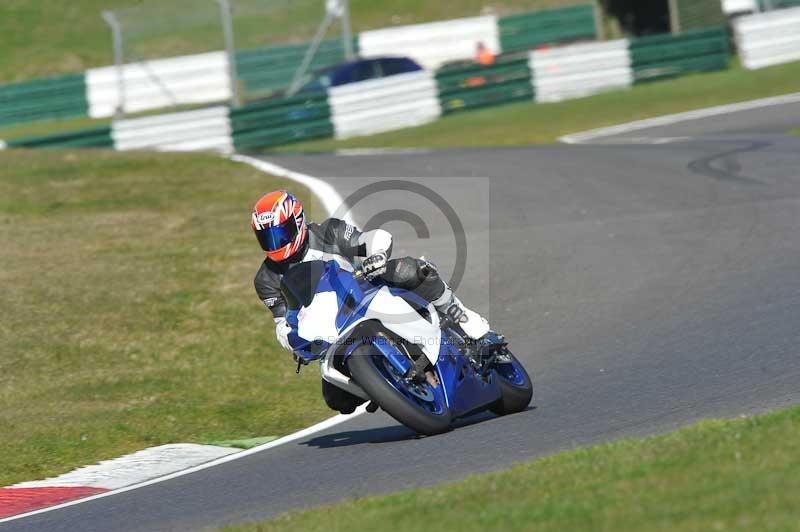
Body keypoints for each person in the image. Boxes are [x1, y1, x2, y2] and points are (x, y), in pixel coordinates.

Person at [251, 190, 492, 355]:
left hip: (363, 290)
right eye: (267, 237)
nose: (275, 243)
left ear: (298, 221)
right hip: (331, 330)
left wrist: (376, 255)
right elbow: (283, 321)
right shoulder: (265, 279)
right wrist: (292, 340)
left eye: (280, 233)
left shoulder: (328, 231)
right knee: (337, 399)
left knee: (410, 271)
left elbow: (371, 238)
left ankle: (463, 318)